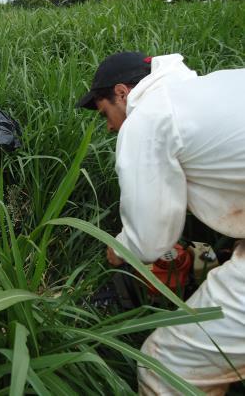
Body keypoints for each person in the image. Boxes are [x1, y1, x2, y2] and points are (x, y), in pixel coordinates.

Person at [77, 52, 245, 395]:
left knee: (166, 365)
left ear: (122, 93)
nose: (109, 126)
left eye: (105, 112)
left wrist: (117, 252)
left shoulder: (150, 118)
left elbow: (149, 241)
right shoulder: (215, 87)